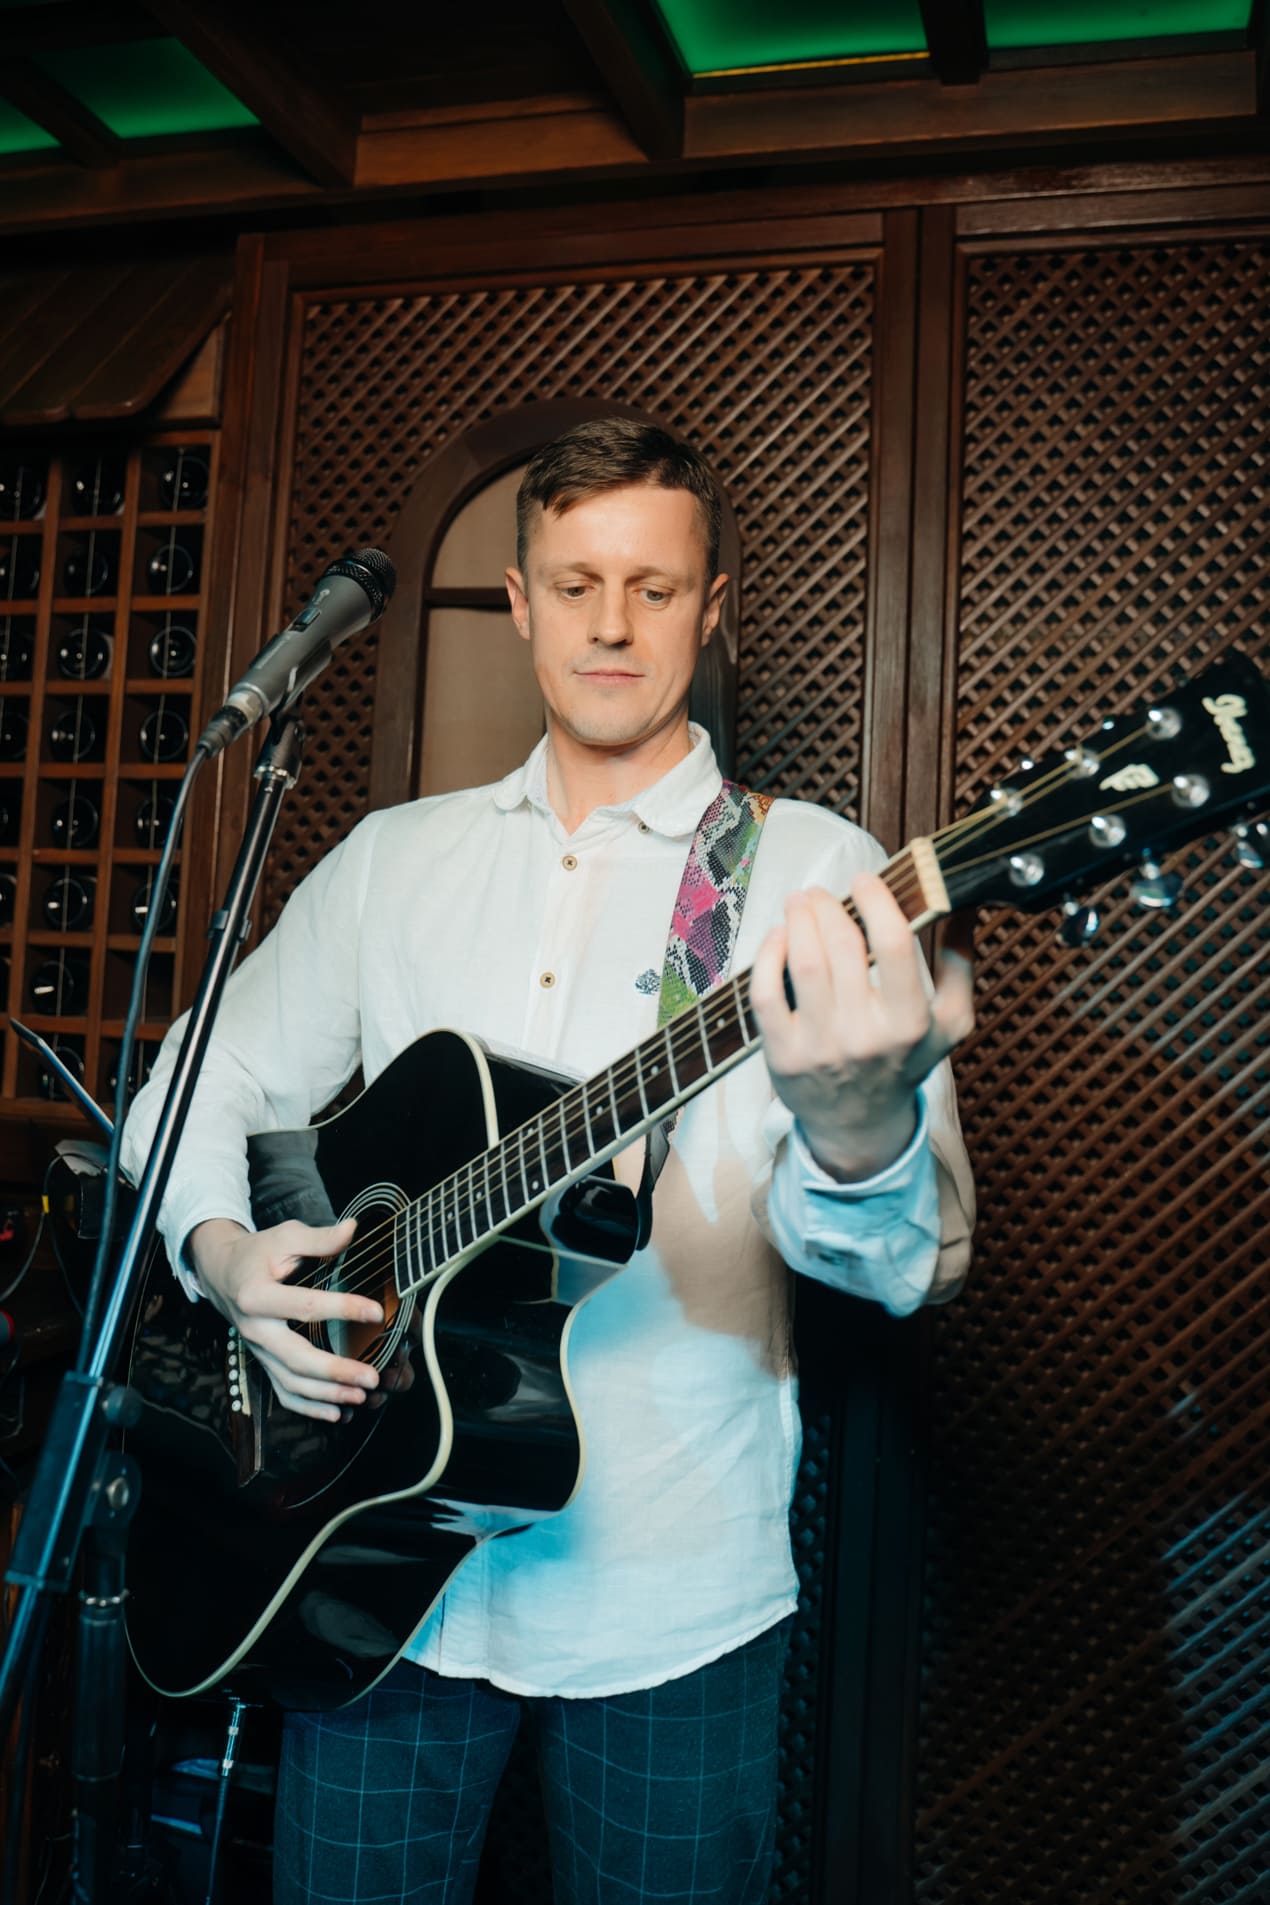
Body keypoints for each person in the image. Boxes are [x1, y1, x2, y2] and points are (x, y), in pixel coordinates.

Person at [121, 418, 975, 1905]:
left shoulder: (813, 877)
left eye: (655, 586)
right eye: (576, 585)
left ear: (712, 610)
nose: (611, 623)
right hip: (362, 1556)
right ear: (519, 603)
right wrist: (225, 1253)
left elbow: (917, 1266)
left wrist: (855, 1128)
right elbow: (192, 1087)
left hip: (669, 1594)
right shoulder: (395, 860)